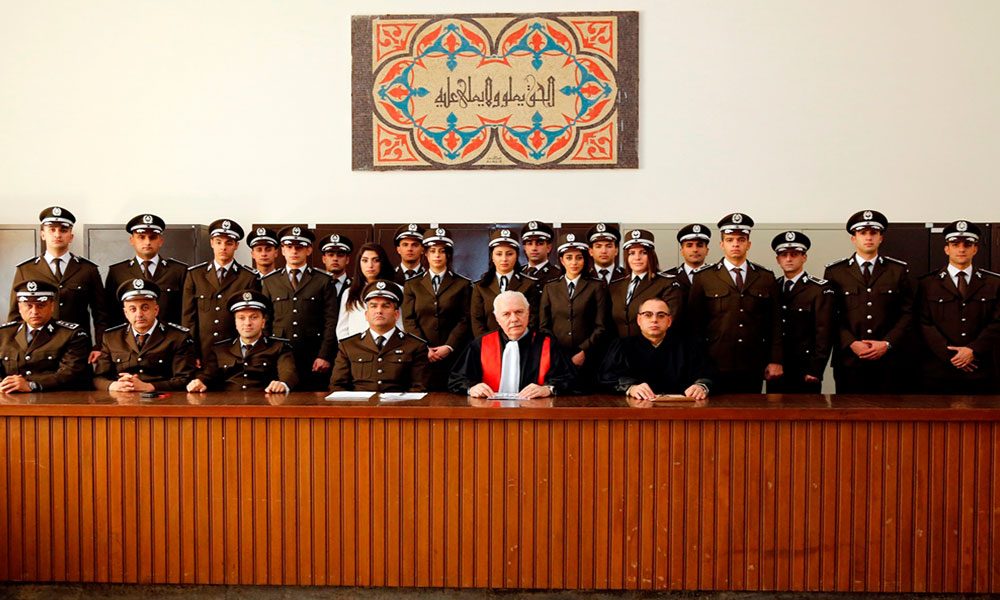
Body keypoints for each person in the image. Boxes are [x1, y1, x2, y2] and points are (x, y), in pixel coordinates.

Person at [687, 213, 782, 394]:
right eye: (730, 240)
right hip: (714, 361)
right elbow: (694, 325)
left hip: (753, 361)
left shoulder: (765, 277)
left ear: (749, 244)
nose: (736, 244)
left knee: (751, 409)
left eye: (741, 240)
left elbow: (775, 323)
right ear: (722, 244)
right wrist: (697, 362)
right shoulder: (704, 277)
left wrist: (775, 359)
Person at [823, 210, 914, 393]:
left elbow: (908, 312)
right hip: (849, 359)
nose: (868, 237)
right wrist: (851, 342)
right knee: (849, 409)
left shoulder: (897, 270)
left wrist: (886, 343)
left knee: (888, 409)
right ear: (853, 239)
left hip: (889, 360)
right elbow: (829, 314)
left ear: (881, 238)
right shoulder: (835, 271)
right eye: (862, 233)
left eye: (873, 233)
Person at [8, 206, 109, 364]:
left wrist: (100, 346)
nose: (57, 234)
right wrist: (13, 352)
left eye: (63, 230)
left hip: (77, 347)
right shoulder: (26, 269)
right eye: (52, 229)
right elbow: (15, 315)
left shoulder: (87, 269)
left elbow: (101, 314)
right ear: (42, 234)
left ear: (71, 236)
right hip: (36, 350)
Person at [916, 220, 1000, 394]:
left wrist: (973, 350)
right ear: (947, 249)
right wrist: (951, 355)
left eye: (967, 245)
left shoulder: (994, 283)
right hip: (938, 370)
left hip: (979, 369)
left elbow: (997, 322)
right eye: (955, 244)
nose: (961, 249)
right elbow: (923, 323)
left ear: (975, 249)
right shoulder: (927, 283)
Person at [450, 290, 575, 398]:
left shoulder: (547, 344)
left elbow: (569, 379)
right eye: (506, 314)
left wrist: (547, 389)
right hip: (490, 413)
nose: (514, 319)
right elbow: (457, 379)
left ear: (528, 312)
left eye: (519, 312)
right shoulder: (480, 344)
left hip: (534, 413)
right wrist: (472, 388)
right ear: (497, 318)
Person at [260, 226, 339, 390]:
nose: (294, 251)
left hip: (313, 355)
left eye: (299, 247)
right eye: (289, 247)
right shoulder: (270, 281)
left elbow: (331, 321)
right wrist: (267, 354)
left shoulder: (323, 280)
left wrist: (324, 355)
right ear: (282, 250)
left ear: (309, 250)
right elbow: (265, 321)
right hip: (279, 356)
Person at [93, 279, 197, 392]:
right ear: (126, 313)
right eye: (132, 309)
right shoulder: (111, 337)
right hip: (122, 397)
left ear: (156, 310)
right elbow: (98, 378)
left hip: (162, 398)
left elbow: (185, 379)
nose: (139, 314)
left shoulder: (178, 337)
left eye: (145, 308)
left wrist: (149, 387)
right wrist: (113, 385)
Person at [401, 227, 472, 390]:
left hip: (453, 355)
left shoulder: (462, 284)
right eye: (432, 251)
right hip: (421, 355)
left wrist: (449, 346)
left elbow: (465, 319)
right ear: (425, 254)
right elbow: (409, 319)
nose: (437, 255)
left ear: (448, 254)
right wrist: (424, 347)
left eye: (442, 251)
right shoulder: (412, 284)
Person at [599, 298, 711, 399]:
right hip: (635, 409)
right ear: (639, 320)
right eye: (648, 315)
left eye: (661, 315)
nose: (654, 320)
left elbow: (708, 374)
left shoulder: (689, 347)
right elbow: (607, 377)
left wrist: (701, 386)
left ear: (669, 321)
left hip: (681, 408)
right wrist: (630, 388)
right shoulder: (622, 346)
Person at [181, 218, 261, 359]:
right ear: (211, 243)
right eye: (219, 242)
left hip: (235, 353)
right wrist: (191, 353)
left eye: (229, 243)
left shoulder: (248, 277)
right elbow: (188, 319)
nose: (223, 247)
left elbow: (254, 319)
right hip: (204, 351)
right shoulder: (195, 275)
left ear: (236, 245)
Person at [187, 291, 297, 393]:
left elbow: (289, 373)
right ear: (235, 322)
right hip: (228, 405)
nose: (247, 323)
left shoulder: (279, 347)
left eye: (254, 317)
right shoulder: (220, 349)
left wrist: (283, 384)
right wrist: (199, 382)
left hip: (265, 404)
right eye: (241, 318)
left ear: (263, 322)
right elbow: (208, 375)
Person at [330, 280, 429, 392]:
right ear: (366, 315)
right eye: (373, 306)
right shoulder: (349, 345)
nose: (379, 311)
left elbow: (419, 388)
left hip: (400, 403)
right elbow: (337, 386)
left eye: (386, 306)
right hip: (359, 403)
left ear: (396, 314)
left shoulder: (415, 346)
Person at [539, 232, 609, 390]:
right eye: (569, 257)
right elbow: (544, 325)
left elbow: (601, 326)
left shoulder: (596, 286)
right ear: (562, 260)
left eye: (579, 257)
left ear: (585, 259)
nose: (574, 262)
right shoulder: (550, 287)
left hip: (588, 357)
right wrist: (558, 352)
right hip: (557, 356)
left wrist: (584, 350)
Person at [767, 231, 835, 393]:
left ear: (804, 257)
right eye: (784, 255)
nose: (789, 259)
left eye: (794, 254)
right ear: (778, 259)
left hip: (805, 368)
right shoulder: (772, 287)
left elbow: (824, 333)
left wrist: (816, 368)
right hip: (777, 366)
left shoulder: (818, 289)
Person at [0, 280, 91, 392]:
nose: (34, 311)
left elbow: (70, 373)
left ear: (52, 306)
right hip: (9, 396)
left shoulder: (71, 334)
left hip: (54, 397)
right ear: (19, 307)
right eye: (29, 306)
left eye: (41, 305)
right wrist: (4, 384)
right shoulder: (4, 334)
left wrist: (32, 385)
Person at [104, 213, 188, 327]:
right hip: (130, 336)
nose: (147, 242)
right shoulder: (117, 271)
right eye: (141, 237)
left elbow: (186, 312)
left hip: (170, 336)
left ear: (161, 241)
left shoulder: (178, 271)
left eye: (152, 237)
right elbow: (110, 312)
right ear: (132, 240)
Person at [608, 229, 683, 338]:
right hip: (621, 346)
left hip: (653, 346)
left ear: (651, 255)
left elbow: (670, 322)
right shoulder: (616, 285)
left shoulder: (667, 283)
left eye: (643, 252)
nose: (637, 258)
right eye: (632, 253)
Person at [470, 229, 539, 338]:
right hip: (490, 343)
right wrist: (488, 342)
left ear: (517, 256)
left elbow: (533, 318)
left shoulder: (529, 284)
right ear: (492, 257)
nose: (504, 259)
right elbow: (477, 321)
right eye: (499, 254)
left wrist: (518, 341)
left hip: (522, 343)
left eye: (509, 254)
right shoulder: (481, 286)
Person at [337, 243, 401, 340]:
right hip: (356, 346)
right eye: (365, 260)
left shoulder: (397, 290)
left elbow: (401, 324)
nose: (370, 265)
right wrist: (349, 347)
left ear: (383, 262)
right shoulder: (349, 292)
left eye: (376, 260)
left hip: (390, 345)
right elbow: (342, 329)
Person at [661, 223, 711, 290]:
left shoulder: (717, 276)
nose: (695, 250)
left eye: (699, 245)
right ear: (682, 251)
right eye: (689, 245)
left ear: (707, 250)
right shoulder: (668, 278)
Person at [320, 232, 353, 302]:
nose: (335, 259)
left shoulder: (356, 286)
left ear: (347, 260)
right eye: (331, 255)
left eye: (340, 255)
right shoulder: (315, 285)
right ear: (324, 259)